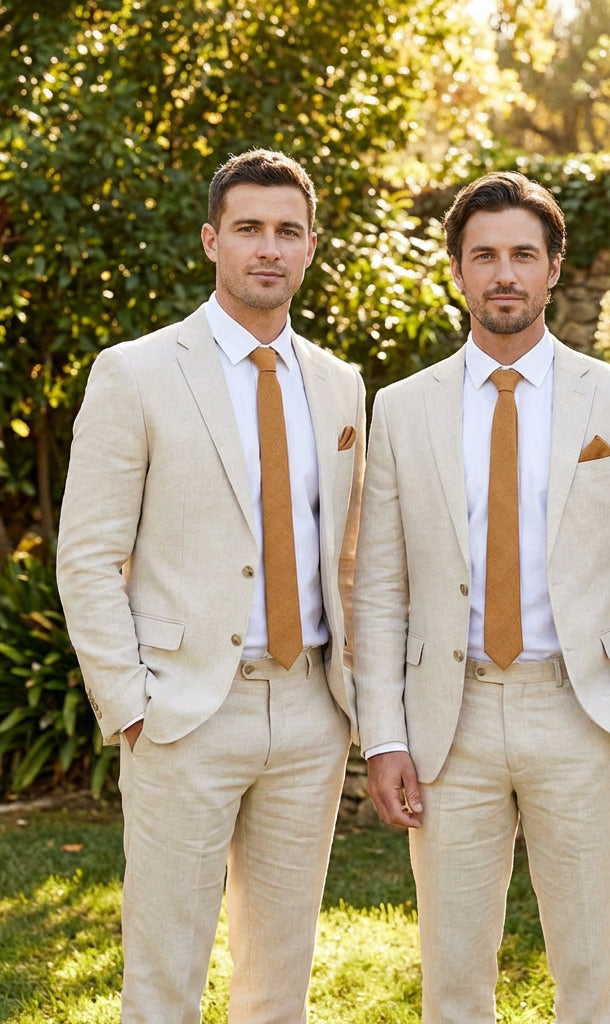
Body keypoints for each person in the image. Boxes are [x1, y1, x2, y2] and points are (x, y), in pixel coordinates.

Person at [353, 170, 610, 1023]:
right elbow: (380, 585)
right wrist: (384, 734)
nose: (505, 273)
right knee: (453, 973)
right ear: (458, 272)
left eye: (523, 256)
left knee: (590, 966)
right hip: (447, 718)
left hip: (578, 711)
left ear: (553, 269)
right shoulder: (401, 408)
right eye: (485, 255)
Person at [56, 148, 364, 1024]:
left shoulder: (341, 386)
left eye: (287, 231)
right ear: (211, 240)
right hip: (183, 713)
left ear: (309, 248)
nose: (268, 248)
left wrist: (353, 701)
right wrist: (130, 702)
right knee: (164, 977)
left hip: (310, 713)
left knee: (280, 979)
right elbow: (85, 554)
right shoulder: (138, 372)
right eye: (248, 229)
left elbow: (348, 554)